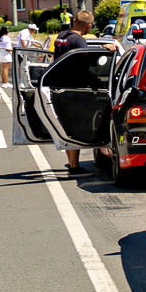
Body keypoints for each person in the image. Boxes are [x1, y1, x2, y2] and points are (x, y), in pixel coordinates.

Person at [55, 12, 93, 173]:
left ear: (74, 21)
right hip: (75, 88)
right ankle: (74, 166)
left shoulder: (61, 36)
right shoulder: (79, 41)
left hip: (58, 86)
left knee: (66, 126)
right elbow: (89, 60)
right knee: (75, 127)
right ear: (88, 26)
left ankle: (71, 163)